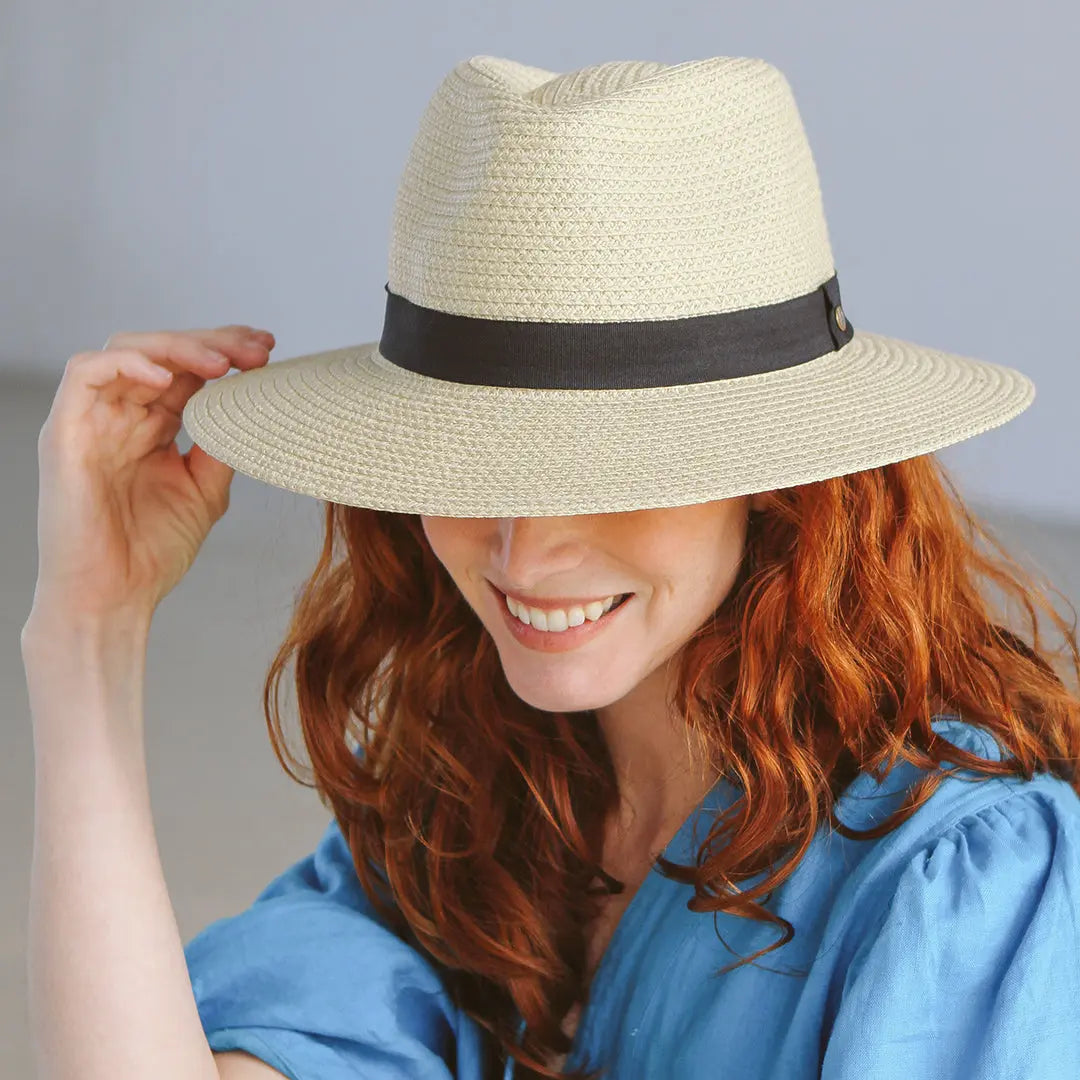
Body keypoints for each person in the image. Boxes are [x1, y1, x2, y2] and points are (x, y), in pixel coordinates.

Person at [21, 53, 1080, 1080]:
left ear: (777, 479)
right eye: (466, 461)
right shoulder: (470, 803)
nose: (524, 550)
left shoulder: (952, 881)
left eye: (608, 473)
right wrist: (88, 630)